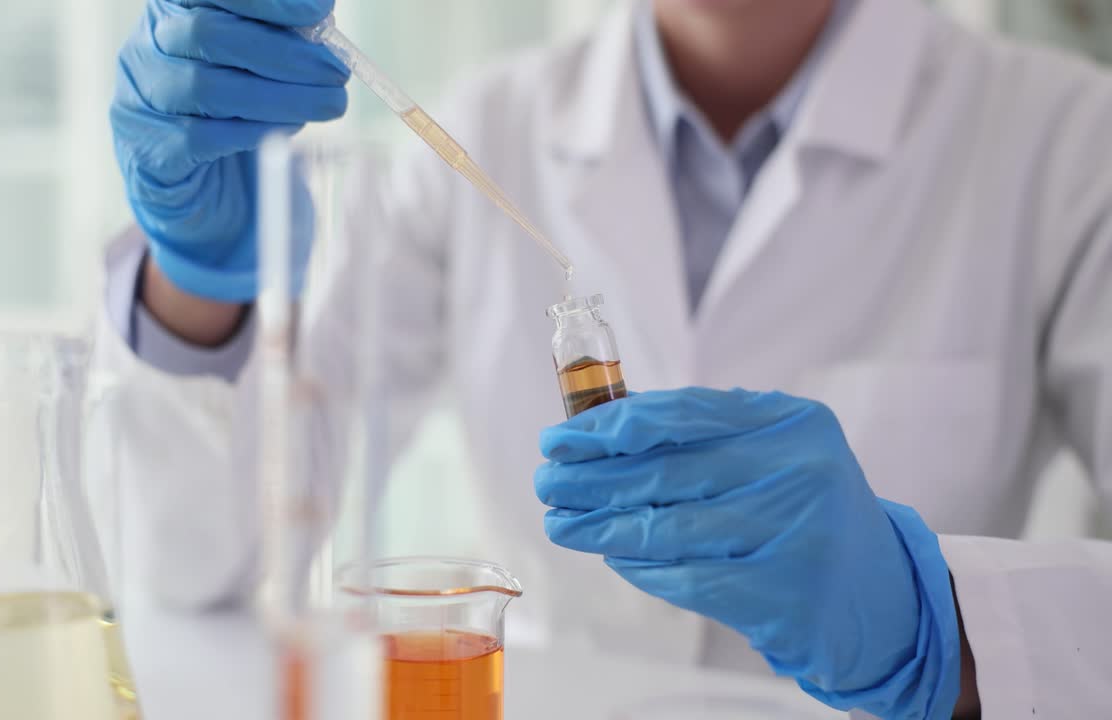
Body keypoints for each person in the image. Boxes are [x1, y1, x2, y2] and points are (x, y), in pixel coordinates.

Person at [103, 0, 1112, 716]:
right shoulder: (488, 123)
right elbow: (204, 563)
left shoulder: (1064, 141)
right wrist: (199, 282)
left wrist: (952, 628)